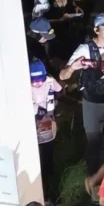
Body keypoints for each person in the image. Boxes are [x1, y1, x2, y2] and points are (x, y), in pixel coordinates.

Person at [61, 13, 104, 175]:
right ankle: (93, 178)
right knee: (94, 142)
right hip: (93, 103)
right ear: (96, 30)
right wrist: (73, 67)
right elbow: (63, 76)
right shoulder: (85, 49)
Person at [29, 61, 62, 199]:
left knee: (48, 152)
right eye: (34, 81)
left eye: (40, 80)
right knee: (34, 154)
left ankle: (50, 181)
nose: (37, 83)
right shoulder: (25, 86)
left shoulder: (49, 82)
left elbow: (59, 90)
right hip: (32, 123)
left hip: (47, 122)